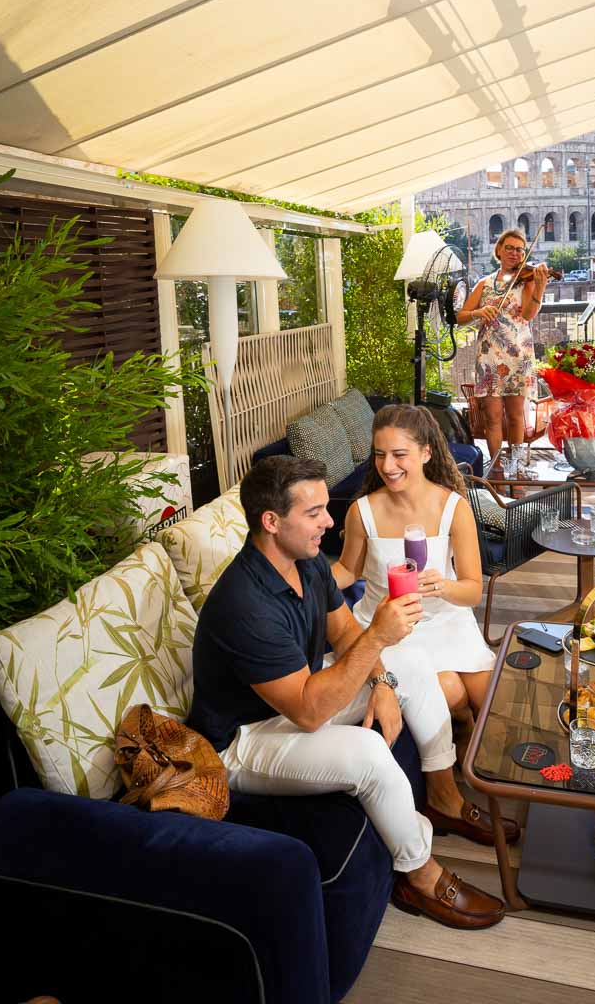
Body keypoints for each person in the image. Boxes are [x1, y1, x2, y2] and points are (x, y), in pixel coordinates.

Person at [188, 455, 508, 929]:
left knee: (411, 662)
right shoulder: (244, 604)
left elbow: (342, 635)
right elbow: (310, 712)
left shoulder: (308, 563)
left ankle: (443, 798)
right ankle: (419, 877)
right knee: (368, 754)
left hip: (296, 699)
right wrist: (377, 636)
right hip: (242, 741)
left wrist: (380, 679)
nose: (329, 520)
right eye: (314, 512)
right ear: (271, 522)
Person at [332, 404, 495, 720]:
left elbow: (473, 592)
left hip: (446, 621)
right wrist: (301, 576)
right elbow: (348, 571)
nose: (387, 465)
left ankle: (480, 751)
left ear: (426, 453)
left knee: (488, 699)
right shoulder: (362, 512)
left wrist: (443, 586)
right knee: (451, 689)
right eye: (380, 454)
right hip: (387, 628)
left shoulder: (454, 508)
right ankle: (460, 728)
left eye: (399, 454)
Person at [455, 229, 550, 459]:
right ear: (498, 250)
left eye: (520, 249)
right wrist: (478, 311)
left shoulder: (526, 282)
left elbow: (528, 314)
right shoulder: (484, 283)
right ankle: (497, 467)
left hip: (518, 357)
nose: (515, 253)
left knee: (517, 416)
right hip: (489, 359)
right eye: (509, 248)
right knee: (492, 417)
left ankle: (515, 467)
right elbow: (461, 316)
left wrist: (540, 287)